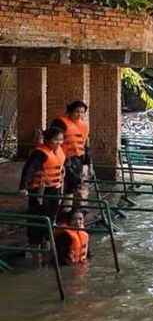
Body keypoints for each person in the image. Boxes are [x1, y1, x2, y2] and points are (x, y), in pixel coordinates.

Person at [19, 126, 66, 262]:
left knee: (50, 220)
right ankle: (36, 256)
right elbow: (28, 170)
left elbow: (63, 167)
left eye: (61, 140)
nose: (58, 143)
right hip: (40, 192)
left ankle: (46, 254)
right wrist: (23, 187)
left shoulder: (58, 152)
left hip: (54, 190)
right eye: (55, 140)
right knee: (36, 221)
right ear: (47, 139)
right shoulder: (40, 153)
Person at [56, 100, 90, 212]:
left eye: (82, 112)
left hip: (78, 159)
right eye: (77, 111)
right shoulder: (60, 122)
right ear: (70, 111)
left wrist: (87, 163)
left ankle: (73, 211)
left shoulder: (84, 126)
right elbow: (53, 139)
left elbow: (86, 145)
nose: (79, 114)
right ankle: (63, 211)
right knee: (65, 185)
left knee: (77, 184)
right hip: (63, 158)